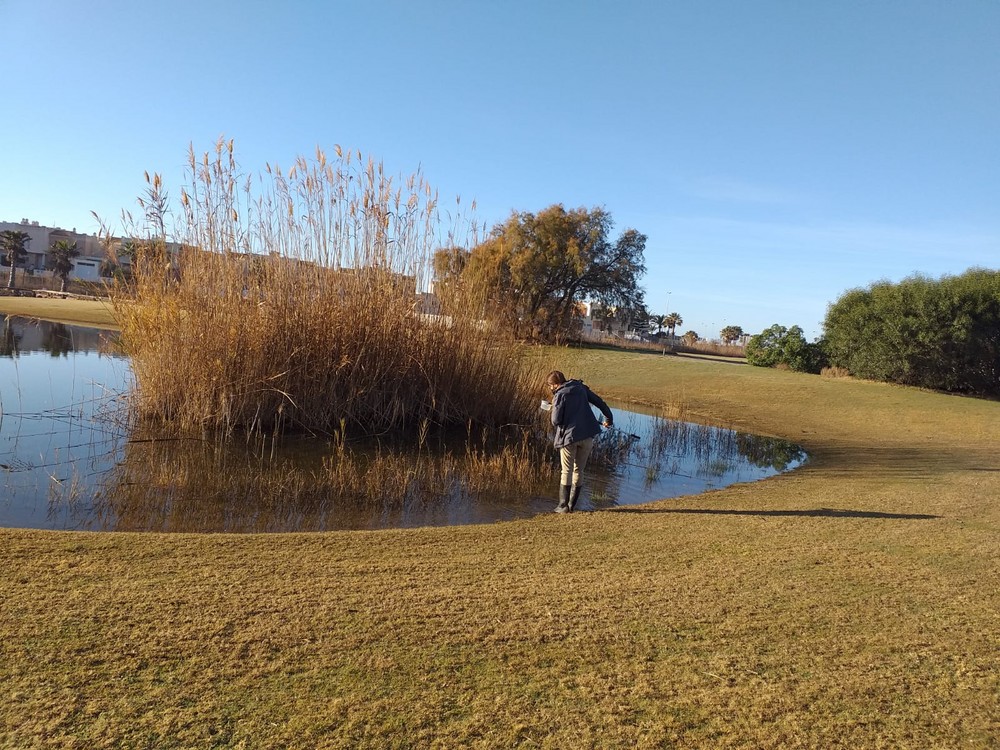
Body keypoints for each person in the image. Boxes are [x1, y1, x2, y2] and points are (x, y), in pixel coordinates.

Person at [544, 370, 613, 513]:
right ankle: (572, 506)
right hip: (587, 435)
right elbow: (599, 402)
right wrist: (608, 419)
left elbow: (556, 420)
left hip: (569, 438)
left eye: (550, 386)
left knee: (566, 471)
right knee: (579, 470)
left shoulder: (559, 395)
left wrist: (553, 409)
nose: (550, 388)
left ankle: (563, 506)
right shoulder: (580, 388)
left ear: (555, 385)